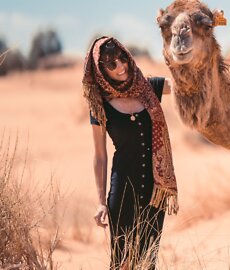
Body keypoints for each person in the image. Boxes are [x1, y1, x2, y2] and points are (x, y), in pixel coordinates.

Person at [82, 36, 178, 269]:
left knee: (147, 262)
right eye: (112, 64)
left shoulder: (150, 87)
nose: (121, 66)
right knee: (122, 263)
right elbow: (100, 156)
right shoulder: (100, 104)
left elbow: (182, 84)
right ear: (101, 69)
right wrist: (100, 202)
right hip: (123, 192)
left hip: (155, 192)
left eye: (122, 58)